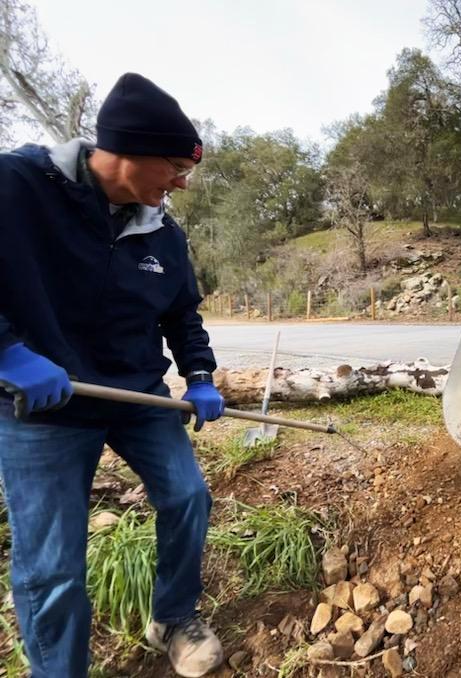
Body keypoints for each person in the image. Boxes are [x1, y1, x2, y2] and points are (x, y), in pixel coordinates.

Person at [0, 73, 226, 678]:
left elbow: (182, 313)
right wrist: (7, 354)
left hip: (135, 395)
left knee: (187, 496)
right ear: (131, 150)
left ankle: (174, 618)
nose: (180, 182)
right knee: (51, 568)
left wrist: (199, 374)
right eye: (175, 166)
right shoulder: (17, 187)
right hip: (42, 406)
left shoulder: (164, 235)